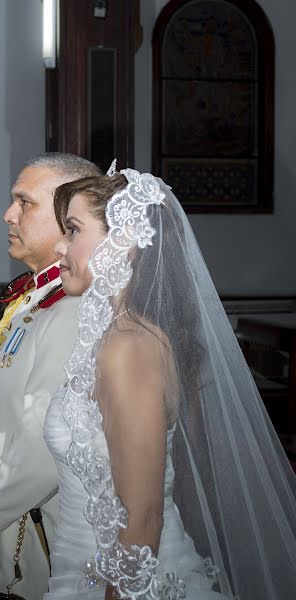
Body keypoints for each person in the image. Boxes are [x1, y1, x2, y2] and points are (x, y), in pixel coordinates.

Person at [42, 164, 296, 599]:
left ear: (123, 242)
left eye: (72, 230)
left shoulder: (128, 348)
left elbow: (142, 516)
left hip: (128, 582)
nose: (60, 248)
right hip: (80, 568)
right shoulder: (111, 335)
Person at [0, 153, 102, 600]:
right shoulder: (31, 299)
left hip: (38, 537)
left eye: (24, 203)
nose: (8, 214)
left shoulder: (72, 311)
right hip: (3, 531)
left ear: (67, 219)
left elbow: (44, 448)